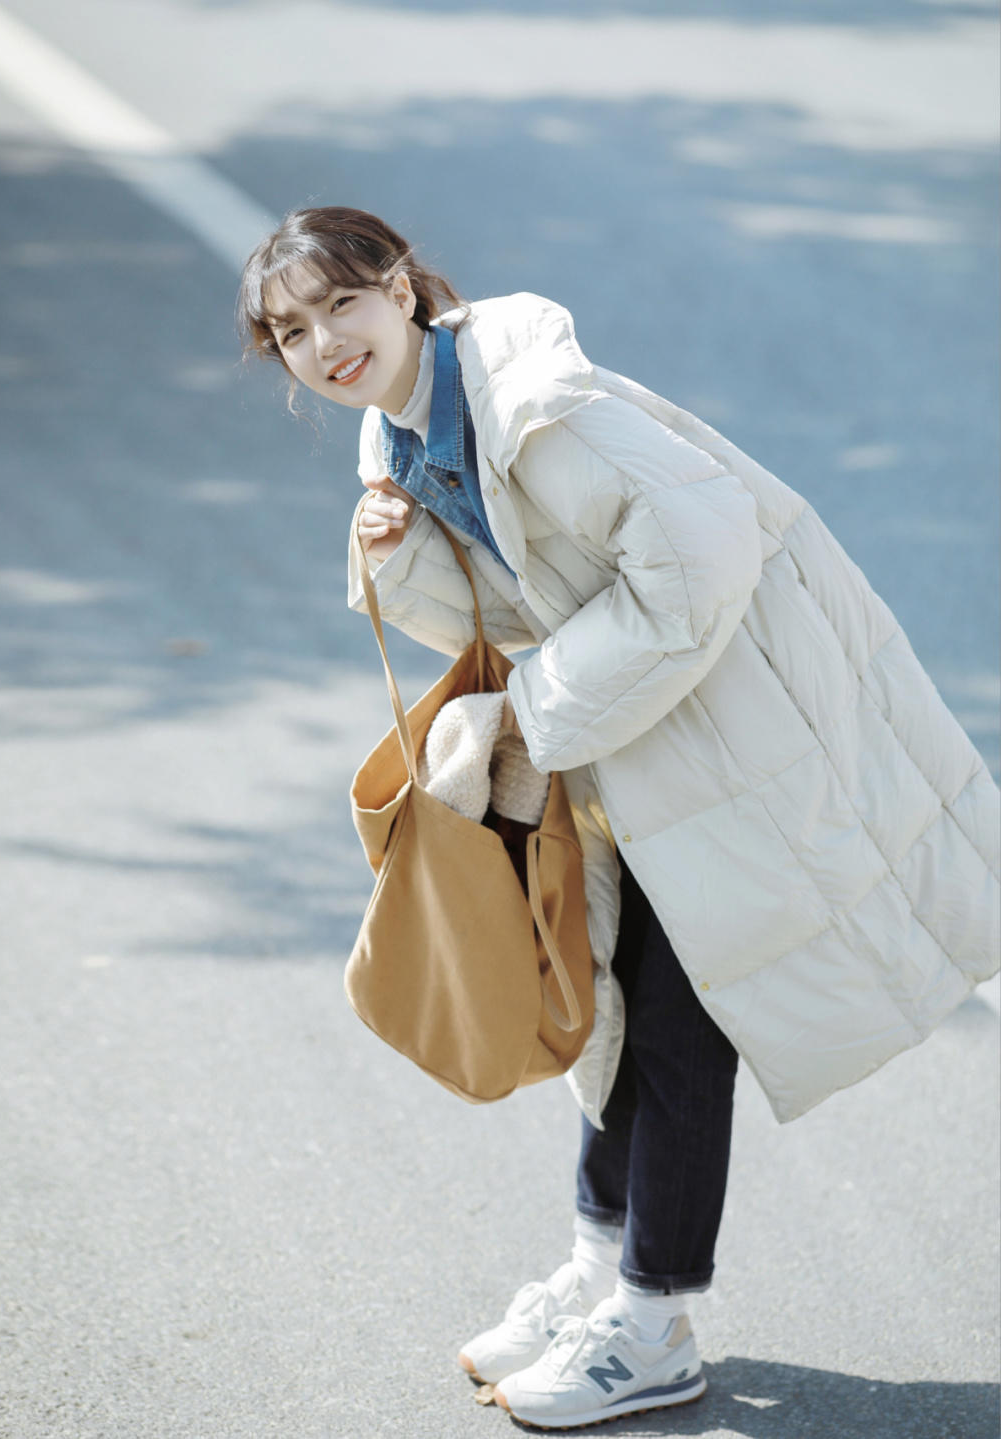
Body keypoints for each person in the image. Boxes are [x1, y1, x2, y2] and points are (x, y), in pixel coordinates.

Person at [237, 206, 999, 1430]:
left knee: (683, 1018)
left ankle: (654, 1322)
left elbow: (703, 556)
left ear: (403, 287)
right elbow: (501, 609)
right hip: (637, 732)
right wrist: (397, 548)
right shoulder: (401, 432)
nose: (323, 342)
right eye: (289, 332)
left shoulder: (539, 406)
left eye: (341, 304)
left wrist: (536, 710)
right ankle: (603, 1275)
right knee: (618, 1000)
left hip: (734, 719)